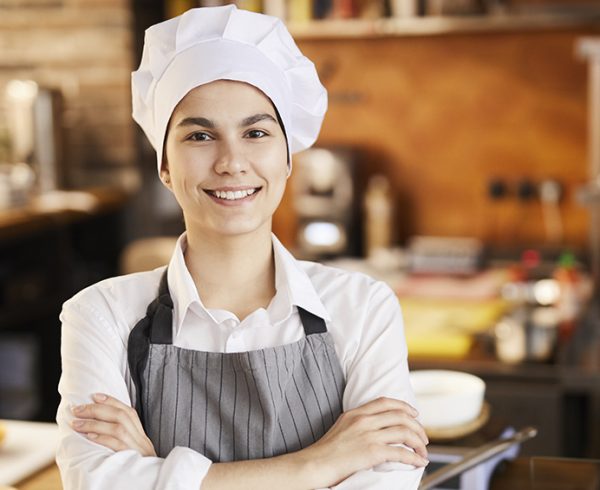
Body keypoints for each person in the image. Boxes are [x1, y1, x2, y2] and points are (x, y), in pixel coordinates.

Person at [56, 5, 428, 489]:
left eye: (256, 132)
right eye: (200, 135)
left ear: (288, 157)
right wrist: (316, 464)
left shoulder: (363, 309)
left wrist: (159, 472)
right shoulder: (100, 315)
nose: (232, 162)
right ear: (165, 166)